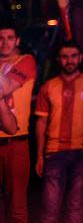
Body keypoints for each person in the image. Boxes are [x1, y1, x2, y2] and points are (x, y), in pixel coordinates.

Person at [35, 40, 83, 223]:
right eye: (65, 57)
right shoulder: (48, 87)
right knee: (50, 208)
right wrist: (39, 155)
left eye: (73, 56)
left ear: (80, 58)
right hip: (54, 152)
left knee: (76, 208)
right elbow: (41, 122)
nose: (70, 60)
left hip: (82, 151)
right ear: (59, 60)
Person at [0, 20, 36, 223]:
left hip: (16, 142)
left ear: (17, 41)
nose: (4, 43)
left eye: (9, 38)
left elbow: (5, 88)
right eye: (0, 38)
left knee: (17, 208)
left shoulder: (26, 60)